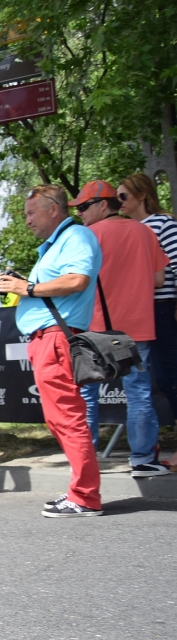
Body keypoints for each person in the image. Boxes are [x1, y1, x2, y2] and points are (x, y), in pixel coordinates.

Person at [0, 185, 103, 518]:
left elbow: (77, 281)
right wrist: (26, 286)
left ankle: (85, 496)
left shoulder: (76, 237)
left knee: (67, 418)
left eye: (31, 213)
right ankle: (80, 491)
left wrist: (26, 287)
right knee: (60, 418)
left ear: (53, 209)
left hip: (56, 337)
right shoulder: (60, 243)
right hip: (48, 338)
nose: (27, 220)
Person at [69, 180, 169, 477]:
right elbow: (159, 280)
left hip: (93, 327)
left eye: (85, 207)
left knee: (87, 395)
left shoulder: (85, 236)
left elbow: (73, 282)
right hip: (136, 326)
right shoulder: (144, 231)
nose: (81, 214)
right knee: (138, 393)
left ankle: (85, 462)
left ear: (103, 204)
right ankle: (141, 460)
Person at [118, 172, 177, 467]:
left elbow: (175, 265)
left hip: (163, 305)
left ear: (142, 195)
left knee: (170, 376)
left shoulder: (163, 223)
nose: (120, 202)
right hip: (140, 309)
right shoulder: (128, 228)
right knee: (149, 381)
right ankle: (149, 450)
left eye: (124, 196)